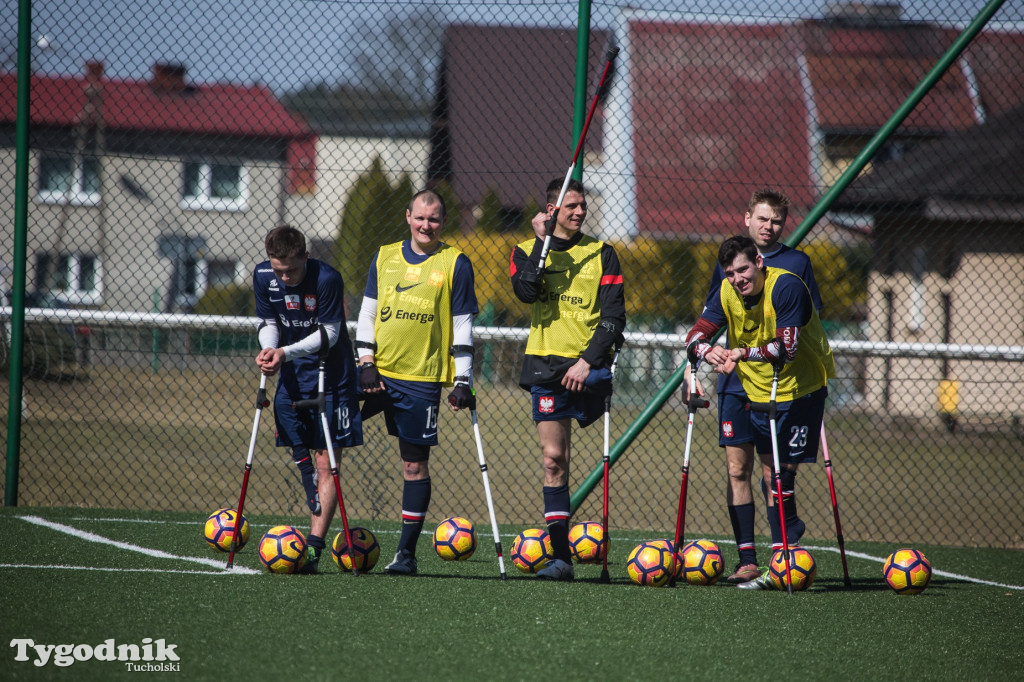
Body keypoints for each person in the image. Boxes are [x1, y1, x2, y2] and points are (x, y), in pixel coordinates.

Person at [684, 235, 834, 590]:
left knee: (780, 477)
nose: (738, 278)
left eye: (743, 269)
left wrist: (739, 354)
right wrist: (706, 352)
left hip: (801, 390)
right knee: (766, 476)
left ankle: (786, 546)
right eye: (731, 272)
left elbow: (787, 347)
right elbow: (695, 335)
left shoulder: (786, 287)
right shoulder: (726, 291)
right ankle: (771, 559)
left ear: (759, 263)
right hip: (759, 392)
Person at [355, 189, 478, 576]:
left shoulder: (455, 262)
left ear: (444, 222)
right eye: (421, 218)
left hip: (421, 380)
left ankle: (405, 555)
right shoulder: (384, 255)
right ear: (408, 216)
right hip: (377, 371)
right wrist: (365, 361)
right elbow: (367, 312)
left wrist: (462, 379)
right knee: (327, 445)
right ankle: (316, 538)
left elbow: (463, 324)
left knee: (414, 466)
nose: (427, 226)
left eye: (435, 219)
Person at [509, 178, 626, 581]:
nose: (579, 212)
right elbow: (526, 291)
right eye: (571, 206)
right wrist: (542, 242)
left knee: (584, 458)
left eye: (583, 206)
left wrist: (587, 361)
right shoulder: (526, 249)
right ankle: (561, 559)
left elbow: (614, 319)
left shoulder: (602, 253)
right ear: (552, 209)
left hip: (588, 369)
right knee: (553, 461)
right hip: (545, 367)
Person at [254, 225, 363, 574]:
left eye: (292, 270)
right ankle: (304, 472)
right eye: (278, 270)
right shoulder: (262, 276)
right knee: (298, 442)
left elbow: (331, 334)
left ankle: (313, 549)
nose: (285, 277)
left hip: (332, 374)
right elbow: (268, 320)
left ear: (305, 256)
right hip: (292, 371)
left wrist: (284, 352)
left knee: (326, 461)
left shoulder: (327, 279)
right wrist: (269, 348)